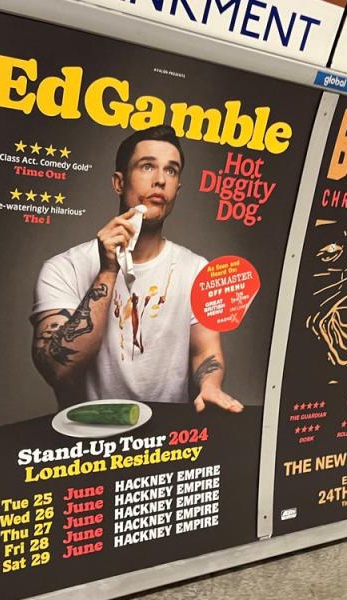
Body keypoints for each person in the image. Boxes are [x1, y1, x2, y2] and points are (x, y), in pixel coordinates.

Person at [30, 126, 243, 414]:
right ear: (119, 182)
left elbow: (205, 351)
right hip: (86, 441)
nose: (159, 181)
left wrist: (211, 385)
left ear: (177, 188)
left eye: (171, 171)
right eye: (147, 166)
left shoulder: (196, 270)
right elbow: (56, 369)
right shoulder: (63, 268)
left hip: (166, 441)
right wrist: (108, 270)